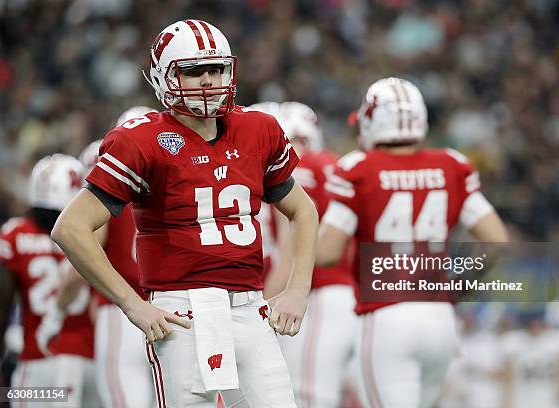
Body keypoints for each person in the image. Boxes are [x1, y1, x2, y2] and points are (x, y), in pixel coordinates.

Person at [51, 19, 318, 408]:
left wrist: (298, 289)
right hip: (183, 311)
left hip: (251, 308)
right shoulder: (140, 139)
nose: (209, 81)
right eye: (194, 71)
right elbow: (70, 228)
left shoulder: (257, 128)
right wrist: (131, 302)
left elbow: (303, 211)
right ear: (163, 78)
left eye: (216, 69)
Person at [317, 77, 509, 408]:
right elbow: (497, 241)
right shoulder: (451, 164)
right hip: (440, 319)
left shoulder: (360, 168)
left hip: (387, 317)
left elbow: (326, 253)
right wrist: (456, 286)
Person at [249, 101, 357, 408]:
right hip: (345, 295)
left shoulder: (295, 171)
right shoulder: (335, 164)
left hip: (315, 296)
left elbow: (288, 256)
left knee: (307, 394)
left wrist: (257, 309)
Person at [63, 106, 157, 408]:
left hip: (123, 311)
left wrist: (59, 304)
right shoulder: (177, 179)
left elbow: (86, 242)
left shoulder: (113, 178)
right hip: (171, 307)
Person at [0, 154, 98, 407]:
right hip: (90, 360)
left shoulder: (15, 234)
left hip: (37, 360)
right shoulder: (95, 234)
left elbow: (3, 301)